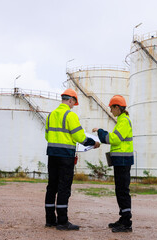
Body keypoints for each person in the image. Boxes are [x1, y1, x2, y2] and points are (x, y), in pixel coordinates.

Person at [45, 88, 100, 231]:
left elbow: (47, 136)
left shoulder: (51, 115)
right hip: (65, 157)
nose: (72, 106)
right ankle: (62, 222)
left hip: (52, 155)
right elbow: (80, 137)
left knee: (52, 187)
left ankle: (50, 220)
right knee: (63, 188)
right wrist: (93, 143)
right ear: (70, 100)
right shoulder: (70, 116)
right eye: (73, 103)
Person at [92, 95, 133, 233]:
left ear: (117, 107)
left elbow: (114, 139)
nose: (110, 111)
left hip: (123, 161)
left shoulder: (124, 121)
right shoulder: (121, 121)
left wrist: (100, 132)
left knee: (122, 191)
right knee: (120, 190)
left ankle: (126, 223)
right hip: (120, 161)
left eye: (111, 108)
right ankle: (123, 218)